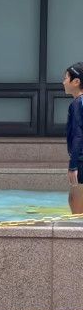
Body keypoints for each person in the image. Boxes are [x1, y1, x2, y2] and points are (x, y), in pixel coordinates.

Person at [63, 63, 83, 214]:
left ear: (76, 82)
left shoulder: (77, 103)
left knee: (75, 202)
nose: (63, 82)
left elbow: (78, 134)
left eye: (66, 78)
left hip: (81, 160)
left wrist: (73, 166)